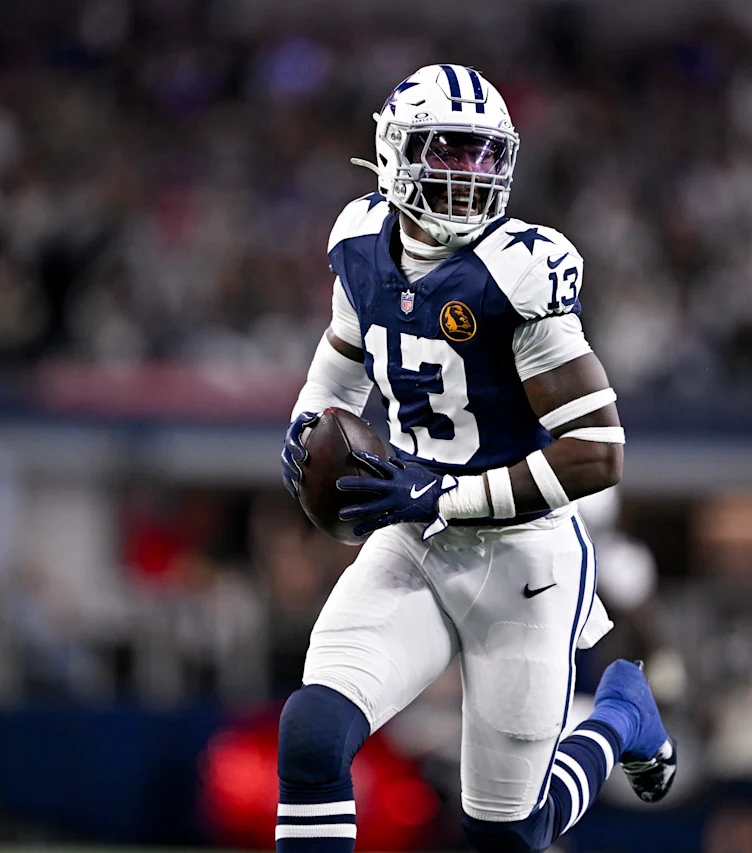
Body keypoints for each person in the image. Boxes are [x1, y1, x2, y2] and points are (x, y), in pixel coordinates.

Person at [278, 64, 675, 853]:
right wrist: (303, 426)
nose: (468, 174)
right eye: (449, 151)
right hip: (414, 538)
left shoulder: (516, 272)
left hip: (524, 561)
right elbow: (341, 356)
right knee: (313, 732)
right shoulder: (360, 241)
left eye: (484, 155)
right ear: (395, 153)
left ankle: (623, 712)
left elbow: (598, 454)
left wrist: (439, 497)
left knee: (507, 834)